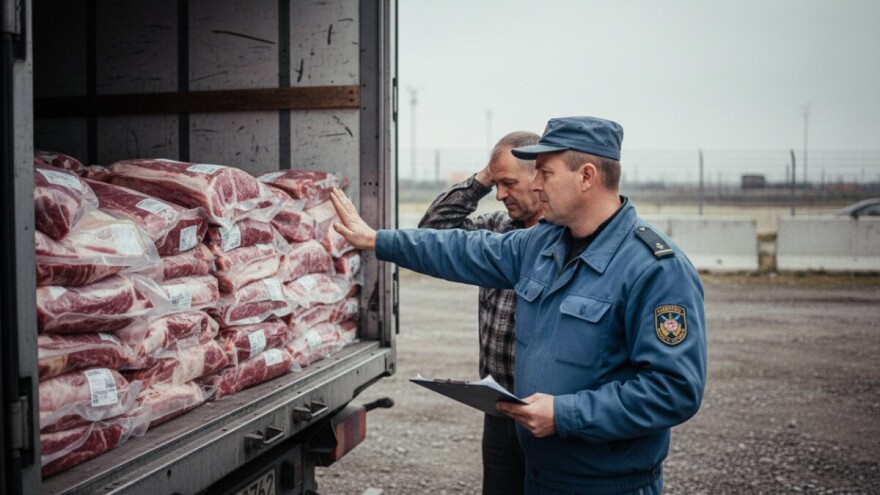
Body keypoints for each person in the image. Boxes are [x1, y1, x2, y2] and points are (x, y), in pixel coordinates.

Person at [330, 116, 707, 494]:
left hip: (605, 483)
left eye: (545, 172)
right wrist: (378, 240)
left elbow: (673, 390)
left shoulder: (656, 269)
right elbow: (458, 248)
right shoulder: (542, 244)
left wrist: (564, 415)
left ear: (587, 177)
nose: (536, 184)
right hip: (538, 475)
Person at [417, 130, 543, 495]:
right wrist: (482, 179)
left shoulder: (564, 239)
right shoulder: (496, 227)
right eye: (496, 183)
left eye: (508, 183)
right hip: (499, 410)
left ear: (540, 176)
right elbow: (433, 232)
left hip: (545, 416)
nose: (501, 194)